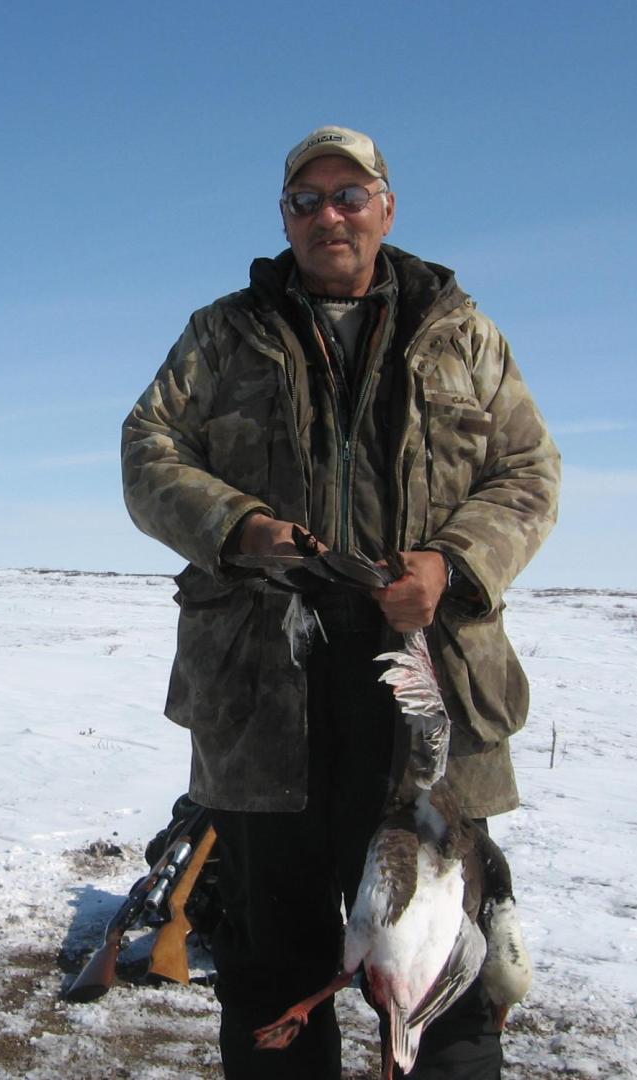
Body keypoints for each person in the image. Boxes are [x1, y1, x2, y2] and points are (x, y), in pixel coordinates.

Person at [121, 125, 559, 1078]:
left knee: (446, 970)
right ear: (285, 218)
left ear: (386, 208)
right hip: (263, 689)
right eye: (307, 200)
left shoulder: (462, 331)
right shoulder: (221, 332)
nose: (329, 215)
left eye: (349, 195)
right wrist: (240, 527)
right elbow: (147, 451)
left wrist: (449, 563)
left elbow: (528, 472)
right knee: (274, 962)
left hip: (427, 692)